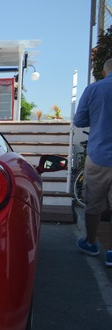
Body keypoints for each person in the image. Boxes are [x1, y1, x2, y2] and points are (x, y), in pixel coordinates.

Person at [74, 57, 112, 266]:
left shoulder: (94, 89)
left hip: (99, 155)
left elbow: (79, 120)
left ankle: (90, 243)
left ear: (105, 71)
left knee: (93, 203)